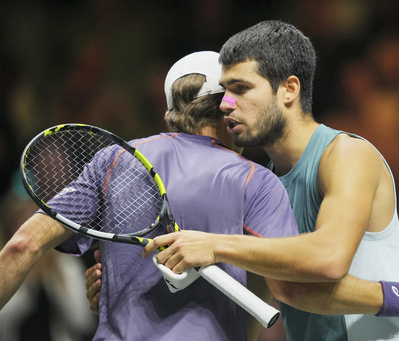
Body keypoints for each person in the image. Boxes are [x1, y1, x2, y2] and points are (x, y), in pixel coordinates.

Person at [140, 21, 399, 340]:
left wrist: (214, 245)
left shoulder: (346, 155)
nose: (225, 103)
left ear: (289, 89)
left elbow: (328, 258)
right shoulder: (265, 183)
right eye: (224, 90)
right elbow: (287, 291)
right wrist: (116, 280)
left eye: (240, 88)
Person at [0, 51, 299, 341]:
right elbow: (289, 278)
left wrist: (113, 295)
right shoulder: (258, 181)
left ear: (171, 114)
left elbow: (23, 245)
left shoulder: (113, 160)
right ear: (228, 108)